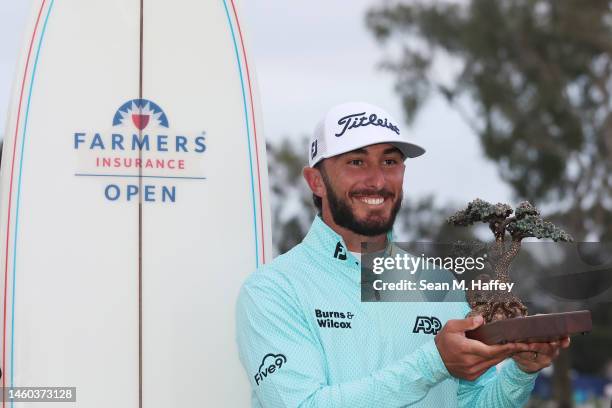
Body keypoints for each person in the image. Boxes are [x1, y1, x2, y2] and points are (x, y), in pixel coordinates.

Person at [235, 102, 570, 407]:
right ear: (316, 181)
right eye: (356, 162)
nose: (377, 179)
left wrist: (521, 371)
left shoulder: (439, 283)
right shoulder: (273, 290)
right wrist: (434, 362)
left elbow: (472, 402)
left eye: (390, 161)